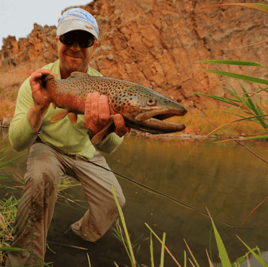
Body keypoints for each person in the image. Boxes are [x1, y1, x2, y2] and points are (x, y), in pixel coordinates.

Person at [6, 8, 127, 267]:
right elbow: (16, 142)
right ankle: (25, 262)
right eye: (68, 39)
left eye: (83, 41)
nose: (74, 47)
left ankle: (79, 235)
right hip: (47, 148)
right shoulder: (38, 82)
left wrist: (99, 131)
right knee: (40, 178)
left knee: (114, 199)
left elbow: (111, 147)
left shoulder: (104, 87)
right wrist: (38, 108)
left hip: (85, 151)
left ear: (94, 46)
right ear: (57, 40)